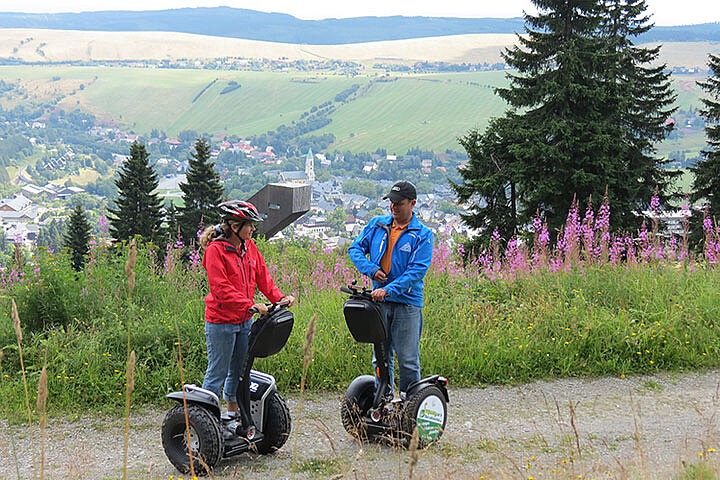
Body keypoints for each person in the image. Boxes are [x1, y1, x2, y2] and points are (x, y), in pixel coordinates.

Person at [198, 200, 295, 414]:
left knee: (240, 370)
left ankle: (233, 413)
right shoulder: (216, 251)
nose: (253, 229)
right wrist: (250, 304)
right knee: (218, 372)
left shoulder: (249, 247)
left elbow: (263, 277)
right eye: (250, 225)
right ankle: (205, 420)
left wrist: (280, 298)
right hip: (221, 322)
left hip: (244, 321)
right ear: (235, 227)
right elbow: (220, 288)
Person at [348, 181, 433, 396]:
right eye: (392, 203)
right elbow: (355, 248)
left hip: (407, 303)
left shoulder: (422, 234)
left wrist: (389, 290)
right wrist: (371, 270)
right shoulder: (378, 225)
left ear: (412, 203)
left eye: (399, 203)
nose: (394, 207)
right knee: (381, 357)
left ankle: (409, 405)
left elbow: (416, 271)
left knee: (407, 359)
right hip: (379, 302)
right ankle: (383, 401)